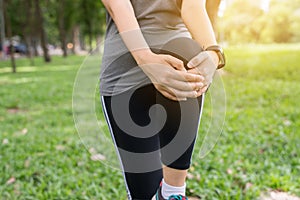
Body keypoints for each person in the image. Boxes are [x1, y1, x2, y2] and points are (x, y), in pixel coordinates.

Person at [100, 0, 225, 199]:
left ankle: (172, 191)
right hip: (127, 70)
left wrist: (213, 53)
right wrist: (146, 60)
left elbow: (193, 7)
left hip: (180, 63)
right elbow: (118, 5)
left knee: (184, 49)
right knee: (144, 193)